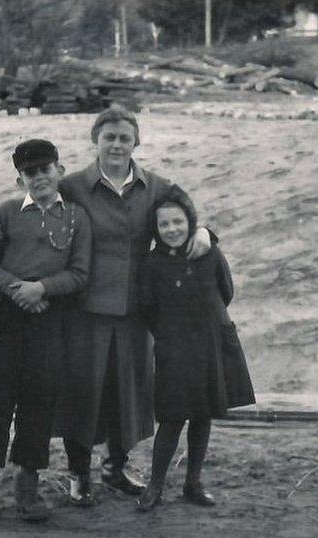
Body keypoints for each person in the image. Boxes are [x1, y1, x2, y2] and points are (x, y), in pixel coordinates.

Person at [56, 105, 213, 506]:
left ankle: (115, 467)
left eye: (125, 138)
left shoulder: (156, 186)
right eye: (109, 137)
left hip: (136, 309)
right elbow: (33, 206)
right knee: (83, 392)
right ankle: (78, 473)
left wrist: (207, 234)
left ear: (136, 142)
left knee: (128, 392)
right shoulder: (72, 186)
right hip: (83, 308)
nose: (117, 145)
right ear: (96, 140)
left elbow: (187, 215)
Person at [0, 139, 92, 529]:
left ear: (60, 171)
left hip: (48, 315)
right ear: (20, 181)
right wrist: (19, 289)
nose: (39, 178)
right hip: (4, 313)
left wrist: (43, 289)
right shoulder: (4, 213)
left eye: (45, 170)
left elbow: (80, 274)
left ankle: (27, 488)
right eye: (30, 173)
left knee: (39, 398)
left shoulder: (77, 218)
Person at [136, 187, 255, 512]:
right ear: (156, 230)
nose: (172, 229)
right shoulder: (152, 263)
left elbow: (226, 291)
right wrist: (171, 334)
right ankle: (155, 485)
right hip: (174, 349)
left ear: (190, 222)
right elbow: (146, 308)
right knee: (172, 418)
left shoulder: (209, 253)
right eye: (164, 225)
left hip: (211, 344)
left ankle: (193, 482)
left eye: (178, 222)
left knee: (204, 414)